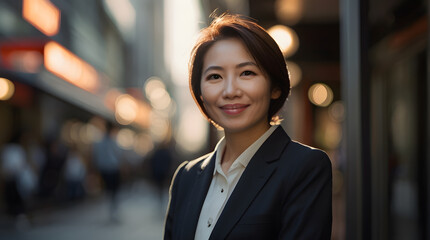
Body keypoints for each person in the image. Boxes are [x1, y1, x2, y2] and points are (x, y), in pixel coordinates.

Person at [164, 14, 332, 240]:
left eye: (247, 73)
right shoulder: (186, 176)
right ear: (201, 93)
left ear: (275, 87)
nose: (230, 90)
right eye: (215, 76)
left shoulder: (305, 168)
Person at [92, 121, 122, 222]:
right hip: (112, 168)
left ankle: (110, 211)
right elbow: (118, 154)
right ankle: (112, 211)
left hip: (104, 169)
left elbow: (97, 156)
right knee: (113, 191)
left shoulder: (100, 142)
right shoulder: (112, 142)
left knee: (108, 190)